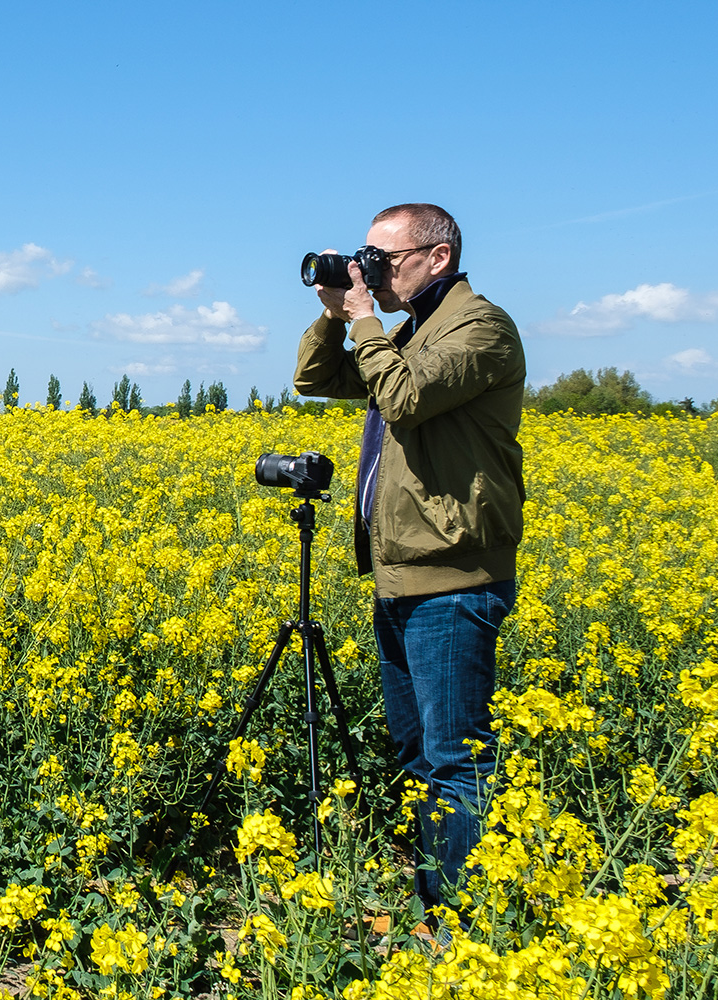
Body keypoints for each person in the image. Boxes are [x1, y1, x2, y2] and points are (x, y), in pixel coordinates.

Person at [292, 203, 526, 929]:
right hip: (400, 572)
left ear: (439, 257)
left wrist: (365, 316)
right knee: (416, 754)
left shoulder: (479, 328)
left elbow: (401, 397)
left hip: (452, 578)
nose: (372, 272)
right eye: (366, 259)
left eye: (383, 260)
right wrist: (337, 313)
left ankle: (459, 925)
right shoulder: (412, 331)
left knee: (455, 760)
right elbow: (314, 379)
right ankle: (433, 902)